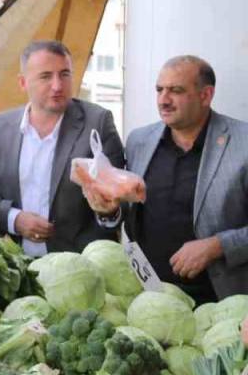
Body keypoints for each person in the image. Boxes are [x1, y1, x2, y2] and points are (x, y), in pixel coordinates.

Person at [87, 56, 248, 302]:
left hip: (220, 299)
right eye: (159, 90)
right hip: (149, 297)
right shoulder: (139, 141)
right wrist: (110, 212)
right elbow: (130, 214)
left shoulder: (243, 143)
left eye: (176, 90)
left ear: (206, 95)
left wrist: (216, 246)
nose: (164, 100)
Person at [0, 40, 123, 255]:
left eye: (64, 74)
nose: (57, 85)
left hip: (78, 263)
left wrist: (108, 212)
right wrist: (14, 219)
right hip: (14, 264)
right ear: (23, 82)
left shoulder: (97, 123)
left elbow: (120, 199)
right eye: (46, 76)